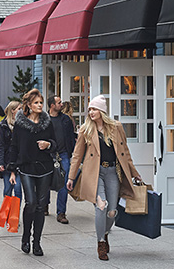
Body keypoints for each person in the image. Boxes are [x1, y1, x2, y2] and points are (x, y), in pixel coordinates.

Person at [66, 95, 142, 261]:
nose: (91, 112)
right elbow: (77, 155)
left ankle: (105, 233)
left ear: (102, 111)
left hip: (113, 172)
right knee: (101, 206)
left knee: (112, 211)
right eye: (90, 109)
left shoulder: (116, 127)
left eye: (94, 109)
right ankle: (101, 243)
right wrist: (71, 177)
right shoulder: (85, 129)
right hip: (95, 173)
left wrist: (135, 173)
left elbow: (125, 153)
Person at [7, 89, 56, 257]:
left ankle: (37, 243)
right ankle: (26, 237)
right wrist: (12, 169)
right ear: (28, 105)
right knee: (31, 203)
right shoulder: (21, 124)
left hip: (45, 168)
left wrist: (48, 145)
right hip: (26, 168)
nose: (39, 105)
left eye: (41, 102)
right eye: (36, 103)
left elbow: (56, 143)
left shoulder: (47, 123)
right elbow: (14, 147)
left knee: (41, 206)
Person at [47, 95, 76, 225]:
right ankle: (44, 206)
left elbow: (71, 137)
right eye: (59, 103)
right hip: (47, 155)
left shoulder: (66, 120)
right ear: (52, 105)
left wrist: (72, 153)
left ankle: (61, 212)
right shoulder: (44, 119)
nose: (61, 104)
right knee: (45, 182)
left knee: (64, 183)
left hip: (63, 154)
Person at [0, 101, 23, 202]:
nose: (21, 111)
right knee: (8, 189)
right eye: (19, 109)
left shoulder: (22, 125)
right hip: (7, 161)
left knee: (17, 188)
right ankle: (7, 213)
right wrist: (0, 162)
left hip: (19, 161)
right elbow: (0, 145)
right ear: (12, 110)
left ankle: (15, 215)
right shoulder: (3, 125)